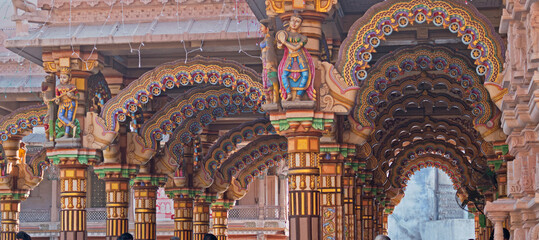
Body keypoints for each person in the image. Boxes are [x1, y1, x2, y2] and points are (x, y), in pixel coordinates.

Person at [276, 13, 315, 101]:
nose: (294, 23)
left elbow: (295, 47)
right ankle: (289, 93)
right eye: (292, 20)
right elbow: (279, 46)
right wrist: (280, 42)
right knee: (283, 75)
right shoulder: (285, 35)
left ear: (300, 25)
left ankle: (298, 96)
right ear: (289, 22)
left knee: (305, 75)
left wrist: (284, 42)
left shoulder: (303, 38)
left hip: (300, 57)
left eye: (297, 22)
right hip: (289, 57)